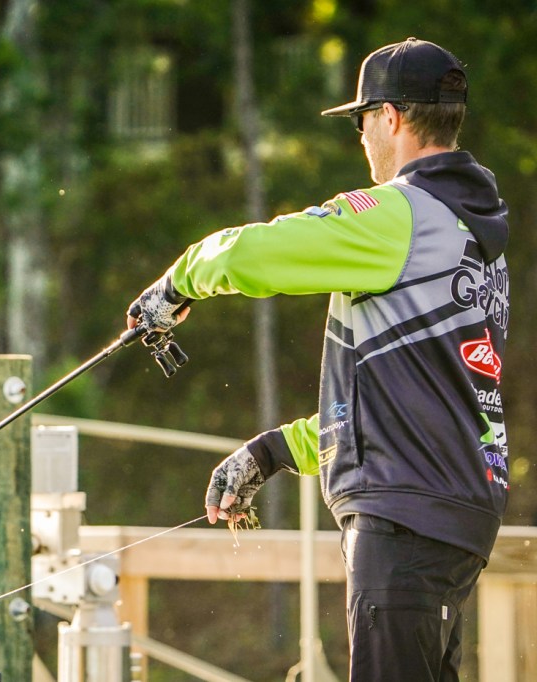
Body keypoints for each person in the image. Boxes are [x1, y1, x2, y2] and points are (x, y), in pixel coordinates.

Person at [126, 37, 510, 681]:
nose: (361, 136)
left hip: (404, 520)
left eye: (363, 119)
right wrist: (273, 451)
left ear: (390, 117)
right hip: (450, 517)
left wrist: (176, 284)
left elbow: (255, 252)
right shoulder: (476, 235)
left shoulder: (399, 214)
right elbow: (407, 404)